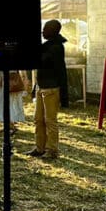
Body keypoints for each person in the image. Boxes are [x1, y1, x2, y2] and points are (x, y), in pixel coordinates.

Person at [28, 20, 68, 160]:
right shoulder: (47, 46)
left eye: (45, 29)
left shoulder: (56, 47)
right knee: (38, 119)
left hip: (51, 88)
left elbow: (50, 65)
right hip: (42, 86)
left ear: (52, 31)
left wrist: (64, 95)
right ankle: (40, 147)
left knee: (50, 120)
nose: (42, 31)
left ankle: (52, 150)